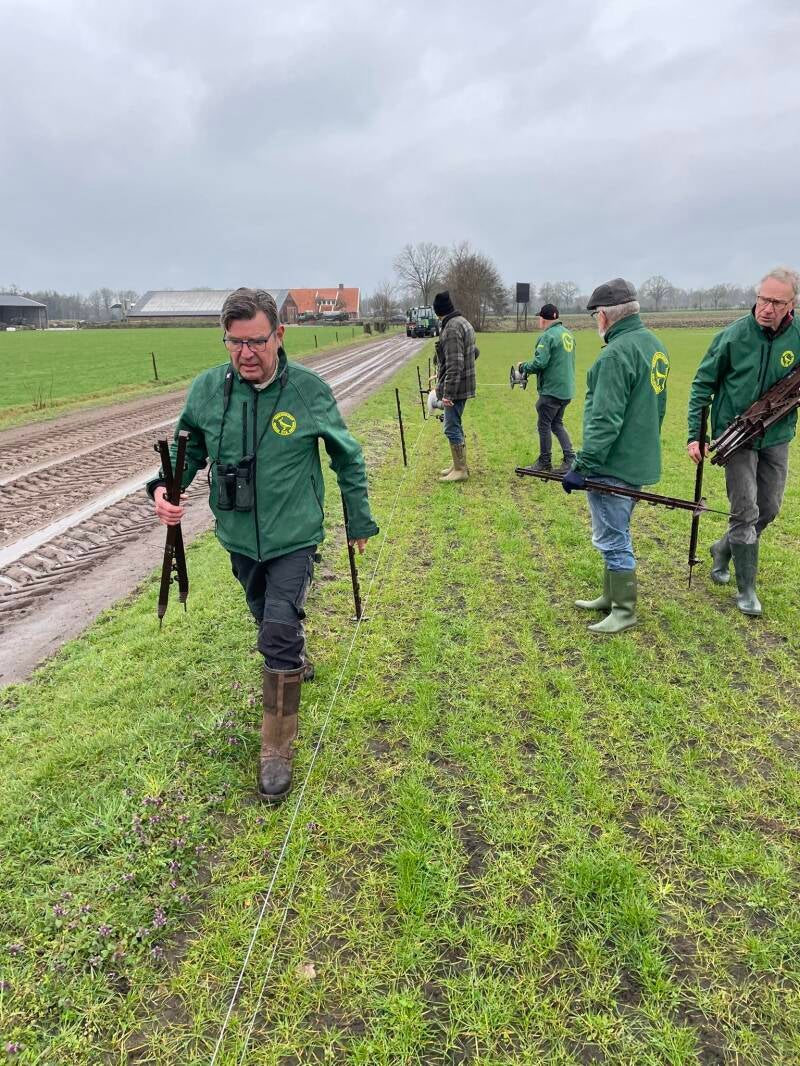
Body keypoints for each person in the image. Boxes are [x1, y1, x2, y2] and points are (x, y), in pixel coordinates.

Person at [149, 288, 378, 805]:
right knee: (265, 613)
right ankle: (292, 652)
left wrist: (358, 519)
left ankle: (276, 749)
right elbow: (189, 449)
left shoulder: (307, 391)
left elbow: (347, 457)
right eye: (235, 343)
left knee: (276, 630)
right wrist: (164, 488)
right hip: (237, 535)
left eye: (256, 341)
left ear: (279, 335)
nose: (246, 353)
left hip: (293, 534)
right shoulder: (208, 390)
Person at [687, 267, 800, 617]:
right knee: (745, 511)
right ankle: (746, 590)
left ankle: (723, 549)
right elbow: (702, 384)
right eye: (763, 299)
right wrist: (695, 435)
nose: (766, 307)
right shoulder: (733, 336)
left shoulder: (798, 337)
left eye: (776, 302)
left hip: (777, 436)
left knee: (769, 508)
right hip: (734, 437)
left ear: (791, 304)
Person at [562, 278, 669, 634]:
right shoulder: (654, 345)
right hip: (638, 460)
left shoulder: (614, 355)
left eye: (595, 315)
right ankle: (609, 597)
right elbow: (658, 409)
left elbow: (604, 420)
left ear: (605, 315)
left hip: (613, 465)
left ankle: (624, 610)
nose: (596, 321)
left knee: (613, 537)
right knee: (616, 530)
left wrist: (583, 466)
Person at [516, 302, 576, 473]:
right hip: (566, 389)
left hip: (551, 390)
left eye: (540, 318)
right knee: (556, 423)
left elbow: (540, 363)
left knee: (544, 425)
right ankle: (570, 459)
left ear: (543, 319)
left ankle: (544, 461)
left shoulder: (548, 336)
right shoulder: (568, 334)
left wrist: (523, 366)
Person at [432, 290, 477, 482]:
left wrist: (447, 393)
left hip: (456, 388)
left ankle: (460, 470)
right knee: (455, 424)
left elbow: (455, 363)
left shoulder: (450, 328)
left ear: (438, 312)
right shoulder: (463, 322)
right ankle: (457, 464)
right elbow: (474, 352)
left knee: (450, 427)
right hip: (464, 383)